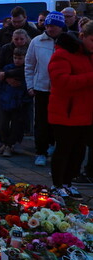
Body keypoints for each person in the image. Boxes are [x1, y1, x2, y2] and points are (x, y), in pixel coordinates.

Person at [46, 24, 93, 199]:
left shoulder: (89, 55)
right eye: (92, 40)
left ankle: (68, 183)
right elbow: (61, 82)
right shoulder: (62, 54)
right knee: (64, 150)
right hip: (66, 112)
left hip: (85, 112)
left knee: (78, 151)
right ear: (82, 36)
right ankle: (57, 184)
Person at [25, 11, 65, 167]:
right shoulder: (37, 41)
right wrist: (30, 85)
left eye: (53, 26)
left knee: (58, 122)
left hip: (61, 89)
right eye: (47, 26)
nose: (50, 29)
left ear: (61, 26)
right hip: (41, 88)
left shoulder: (68, 42)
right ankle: (40, 151)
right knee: (41, 122)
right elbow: (29, 65)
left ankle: (54, 146)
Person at [0, 47, 30, 157]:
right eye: (15, 58)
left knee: (16, 126)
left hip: (19, 102)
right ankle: (5, 143)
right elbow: (0, 83)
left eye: (20, 58)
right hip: (5, 100)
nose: (17, 60)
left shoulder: (27, 70)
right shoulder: (7, 68)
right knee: (3, 125)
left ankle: (9, 145)